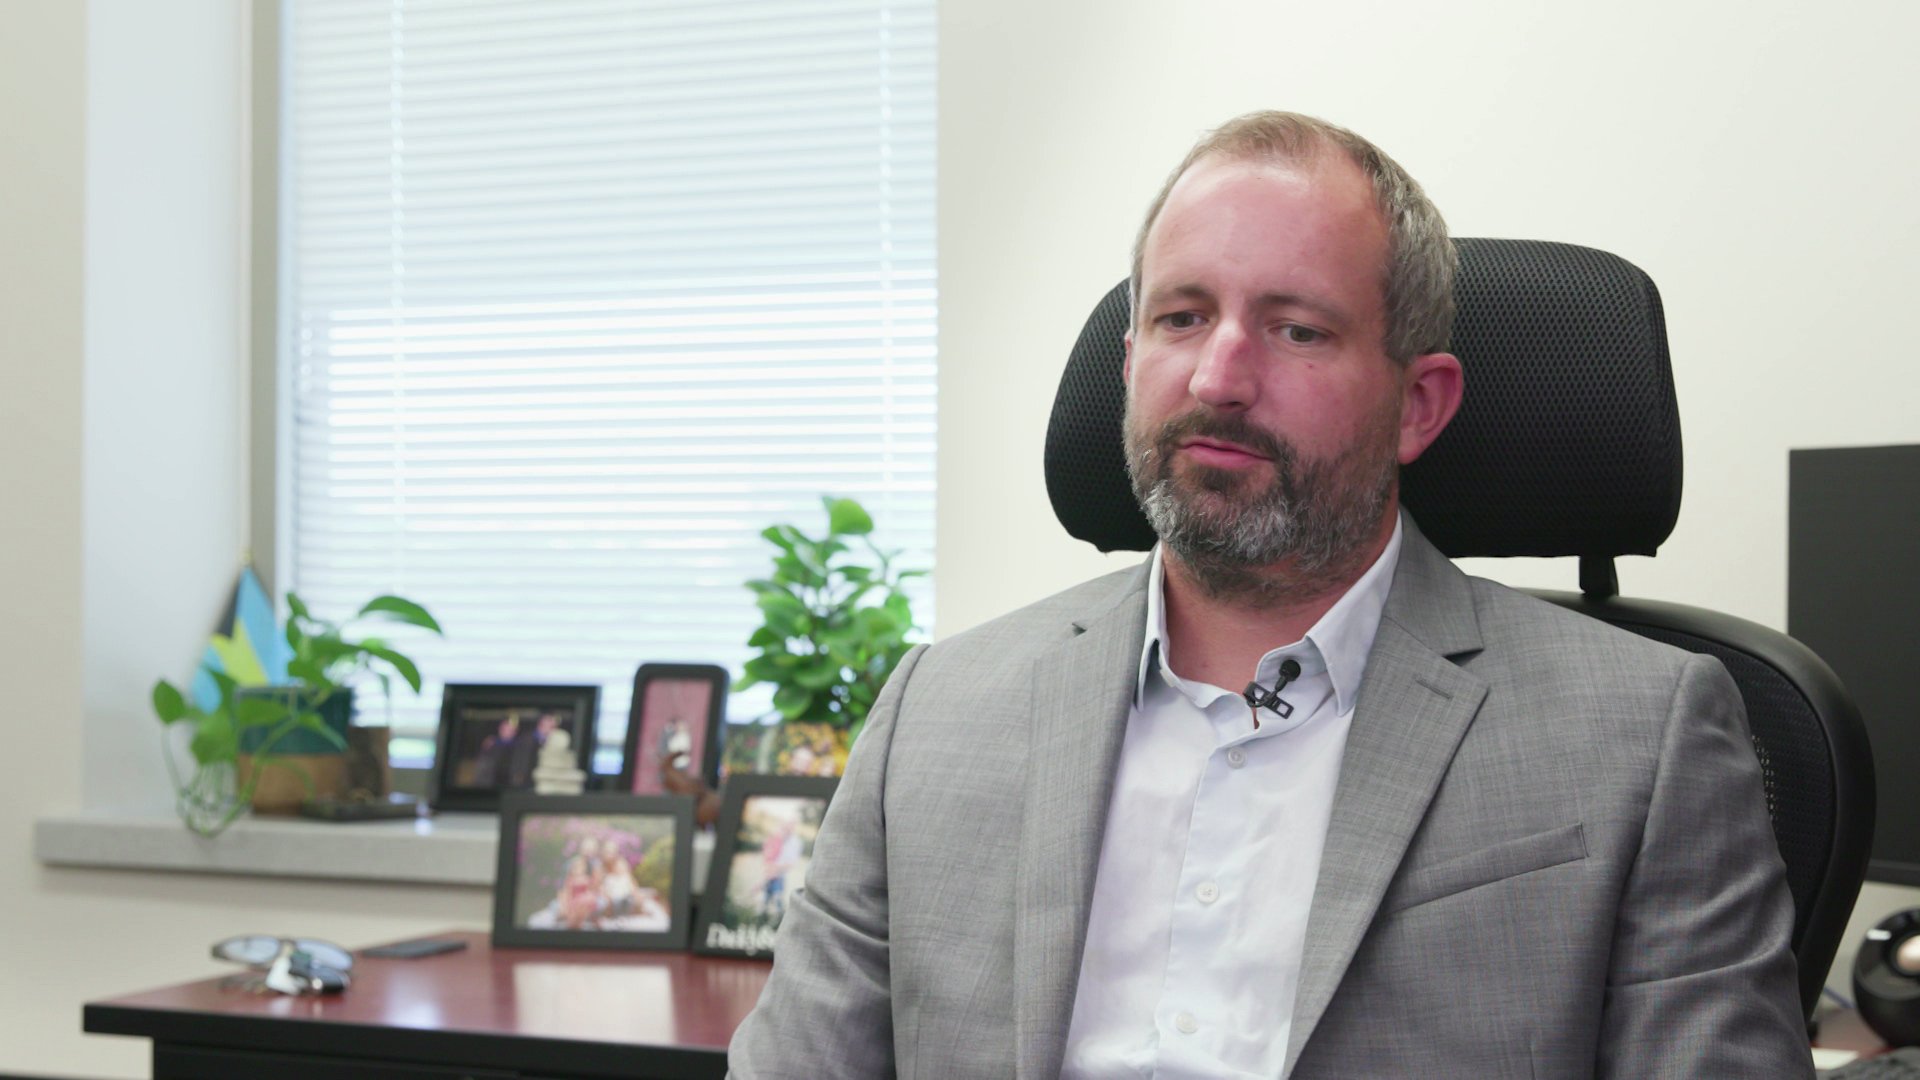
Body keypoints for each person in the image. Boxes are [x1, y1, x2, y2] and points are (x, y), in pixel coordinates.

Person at [727, 111, 1811, 1078]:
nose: (1217, 378)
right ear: (1129, 362)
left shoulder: (1644, 738)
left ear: (1419, 406)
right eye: (1182, 318)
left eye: (1297, 329)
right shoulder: (936, 715)